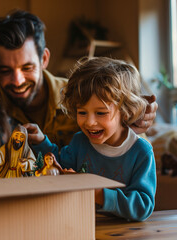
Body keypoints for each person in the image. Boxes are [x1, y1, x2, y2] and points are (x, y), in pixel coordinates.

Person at [0, 9, 158, 148]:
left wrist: (131, 124)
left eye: (27, 68)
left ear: (44, 59)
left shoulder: (83, 94)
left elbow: (139, 155)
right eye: (5, 70)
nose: (17, 81)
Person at [27, 57, 156, 222]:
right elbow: (57, 168)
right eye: (82, 112)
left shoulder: (141, 152)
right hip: (80, 225)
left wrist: (97, 193)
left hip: (125, 232)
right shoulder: (79, 142)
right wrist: (40, 142)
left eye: (101, 113)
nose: (89, 122)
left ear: (125, 111)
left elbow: (143, 206)